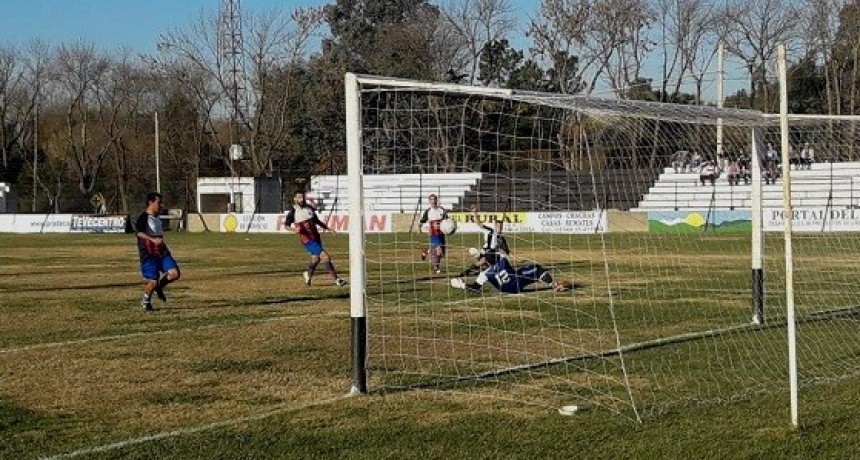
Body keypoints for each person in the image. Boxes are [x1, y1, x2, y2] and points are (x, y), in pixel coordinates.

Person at [285, 190, 346, 287]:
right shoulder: (293, 211)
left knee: (316, 259)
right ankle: (336, 279)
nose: (302, 199)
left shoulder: (309, 208)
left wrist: (329, 229)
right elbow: (286, 225)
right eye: (299, 197)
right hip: (307, 240)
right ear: (295, 199)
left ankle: (308, 274)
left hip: (316, 237)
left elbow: (317, 221)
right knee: (325, 256)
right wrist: (294, 230)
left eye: (303, 197)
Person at [135, 192, 181, 311]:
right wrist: (152, 239)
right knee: (153, 281)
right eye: (159, 203)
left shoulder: (157, 217)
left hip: (161, 251)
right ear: (150, 202)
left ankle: (159, 287)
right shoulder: (144, 217)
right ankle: (146, 301)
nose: (161, 205)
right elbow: (138, 233)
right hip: (148, 254)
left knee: (175, 274)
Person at [450, 252, 569, 294]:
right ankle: (554, 285)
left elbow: (475, 288)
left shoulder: (484, 274)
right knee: (535, 268)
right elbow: (498, 254)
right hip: (517, 282)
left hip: (505, 290)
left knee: (524, 272)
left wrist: (461, 284)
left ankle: (552, 285)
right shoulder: (502, 260)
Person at [419, 193, 448, 274]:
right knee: (439, 250)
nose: (433, 201)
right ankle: (436, 267)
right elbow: (422, 221)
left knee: (442, 253)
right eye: (431, 199)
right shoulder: (428, 211)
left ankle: (426, 251)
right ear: (429, 201)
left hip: (442, 233)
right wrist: (419, 228)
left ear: (437, 200)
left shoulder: (442, 210)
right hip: (433, 233)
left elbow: (447, 220)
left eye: (434, 199)